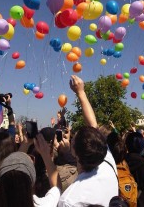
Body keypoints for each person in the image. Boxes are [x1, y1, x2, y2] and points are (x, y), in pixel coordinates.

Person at [58, 75, 118, 207]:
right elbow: (93, 126)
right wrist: (81, 92)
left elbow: (93, 127)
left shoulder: (70, 200)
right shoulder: (108, 162)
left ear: (75, 153)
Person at [0, 133, 61, 207]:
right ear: (31, 181)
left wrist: (25, 144)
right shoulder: (43, 204)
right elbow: (57, 189)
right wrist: (45, 154)